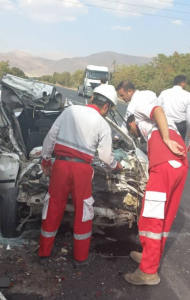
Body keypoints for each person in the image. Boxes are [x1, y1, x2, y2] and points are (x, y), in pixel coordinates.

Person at [39, 84, 123, 266]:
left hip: (60, 166)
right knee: (83, 213)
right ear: (107, 106)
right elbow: (105, 157)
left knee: (52, 208)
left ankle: (44, 253)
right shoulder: (102, 124)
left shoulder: (70, 111)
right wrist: (117, 166)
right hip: (82, 170)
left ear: (92, 97)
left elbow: (50, 137)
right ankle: (80, 258)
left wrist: (45, 162)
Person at [123, 100, 188, 286]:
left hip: (164, 167)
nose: (135, 136)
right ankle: (150, 257)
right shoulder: (165, 124)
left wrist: (166, 140)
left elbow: (156, 109)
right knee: (164, 218)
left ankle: (148, 272)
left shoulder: (140, 108)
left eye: (131, 132)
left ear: (132, 124)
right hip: (180, 166)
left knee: (150, 219)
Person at [157, 75, 190, 141]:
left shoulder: (164, 93)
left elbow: (157, 108)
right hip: (180, 126)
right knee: (179, 146)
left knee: (166, 144)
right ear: (183, 83)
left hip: (166, 124)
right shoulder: (188, 95)